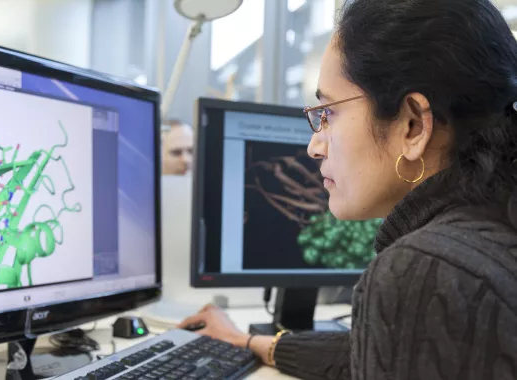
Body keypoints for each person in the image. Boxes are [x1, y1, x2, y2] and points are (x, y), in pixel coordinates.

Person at [178, 0, 517, 378]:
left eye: (328, 113)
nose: (314, 146)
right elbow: (386, 348)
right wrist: (252, 343)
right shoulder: (494, 223)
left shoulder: (428, 269)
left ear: (413, 126)